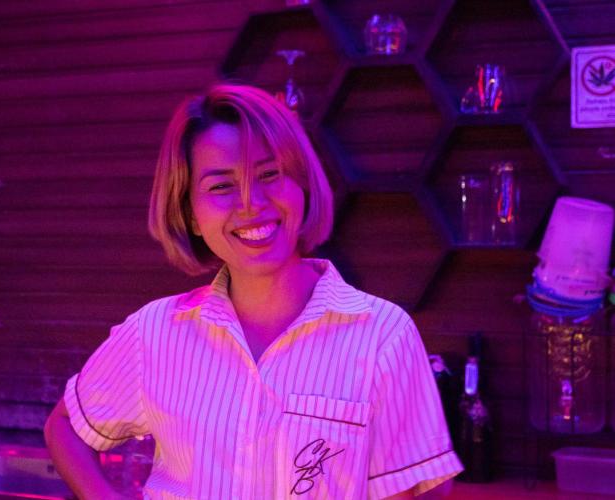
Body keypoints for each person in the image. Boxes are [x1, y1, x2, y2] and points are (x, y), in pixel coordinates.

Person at [44, 83, 463, 499]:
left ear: (302, 186)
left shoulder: (383, 334)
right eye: (221, 186)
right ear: (190, 213)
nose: (251, 204)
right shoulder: (154, 332)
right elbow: (65, 427)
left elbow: (421, 492)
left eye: (269, 174)